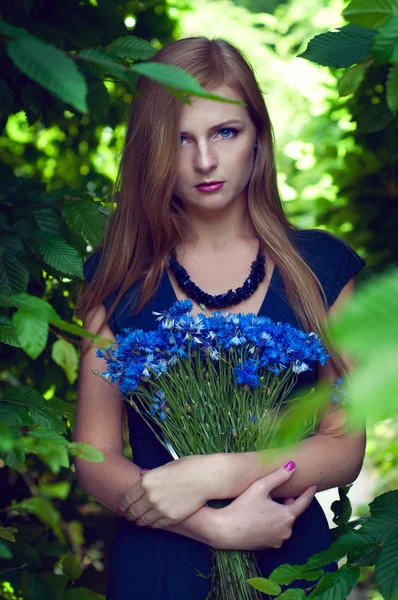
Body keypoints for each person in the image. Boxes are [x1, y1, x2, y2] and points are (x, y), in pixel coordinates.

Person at [74, 36, 367, 599]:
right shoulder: (116, 276)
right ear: (149, 150)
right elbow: (95, 459)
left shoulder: (321, 268)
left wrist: (210, 476)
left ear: (257, 137)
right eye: (180, 140)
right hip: (157, 560)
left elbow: (343, 447)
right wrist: (210, 524)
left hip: (289, 555)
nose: (204, 161)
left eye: (224, 132)